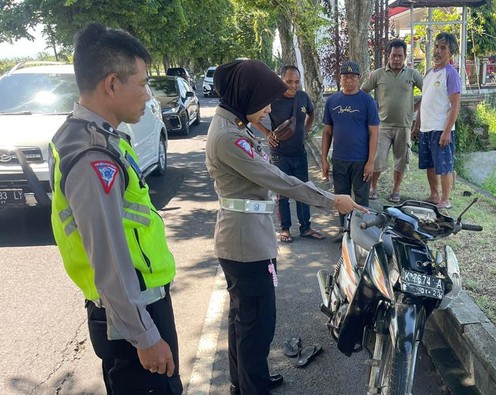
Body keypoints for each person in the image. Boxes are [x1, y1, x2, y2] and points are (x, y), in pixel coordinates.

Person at [205, 59, 367, 395]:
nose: (268, 108)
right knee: (257, 323)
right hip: (245, 245)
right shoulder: (227, 137)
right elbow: (278, 179)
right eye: (264, 99)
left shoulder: (234, 126)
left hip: (250, 238)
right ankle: (252, 388)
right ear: (245, 95)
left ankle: (249, 381)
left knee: (245, 318)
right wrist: (331, 199)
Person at [49, 23, 182, 394]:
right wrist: (145, 337)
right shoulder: (94, 157)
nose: (147, 94)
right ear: (111, 84)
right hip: (130, 321)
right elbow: (108, 259)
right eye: (141, 83)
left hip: (132, 311)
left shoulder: (90, 137)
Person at [251, 65, 324, 243]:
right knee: (282, 192)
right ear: (281, 81)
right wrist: (267, 133)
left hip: (299, 153)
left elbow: (312, 114)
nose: (293, 85)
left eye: (297, 82)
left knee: (304, 190)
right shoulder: (271, 98)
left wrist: (306, 130)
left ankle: (305, 227)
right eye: (289, 81)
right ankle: (285, 229)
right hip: (279, 154)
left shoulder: (303, 97)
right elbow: (251, 117)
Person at [321, 60, 379, 241]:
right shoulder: (332, 101)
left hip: (361, 160)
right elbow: (327, 131)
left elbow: (374, 132)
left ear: (358, 79)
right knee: (341, 198)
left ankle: (361, 233)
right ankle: (345, 231)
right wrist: (324, 158)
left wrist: (371, 161)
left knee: (361, 199)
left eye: (352, 77)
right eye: (345, 76)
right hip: (339, 159)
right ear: (340, 78)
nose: (349, 80)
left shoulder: (368, 102)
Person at [361, 39, 423, 203]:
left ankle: (396, 190)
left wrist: (417, 106)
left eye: (400, 56)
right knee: (377, 159)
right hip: (382, 126)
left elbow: (429, 91)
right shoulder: (378, 74)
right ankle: (373, 188)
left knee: (401, 162)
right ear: (388, 56)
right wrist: (371, 108)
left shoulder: (412, 74)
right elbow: (362, 92)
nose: (396, 59)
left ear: (405, 57)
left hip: (404, 126)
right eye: (394, 56)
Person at [412, 32, 462, 210]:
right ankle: (434, 195)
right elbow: (424, 101)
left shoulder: (451, 74)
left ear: (450, 52)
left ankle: (445, 199)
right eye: (437, 47)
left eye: (443, 48)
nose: (438, 51)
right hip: (426, 128)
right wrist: (417, 125)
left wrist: (447, 131)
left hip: (441, 128)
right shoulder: (429, 74)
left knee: (444, 166)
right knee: (430, 164)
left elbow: (455, 104)